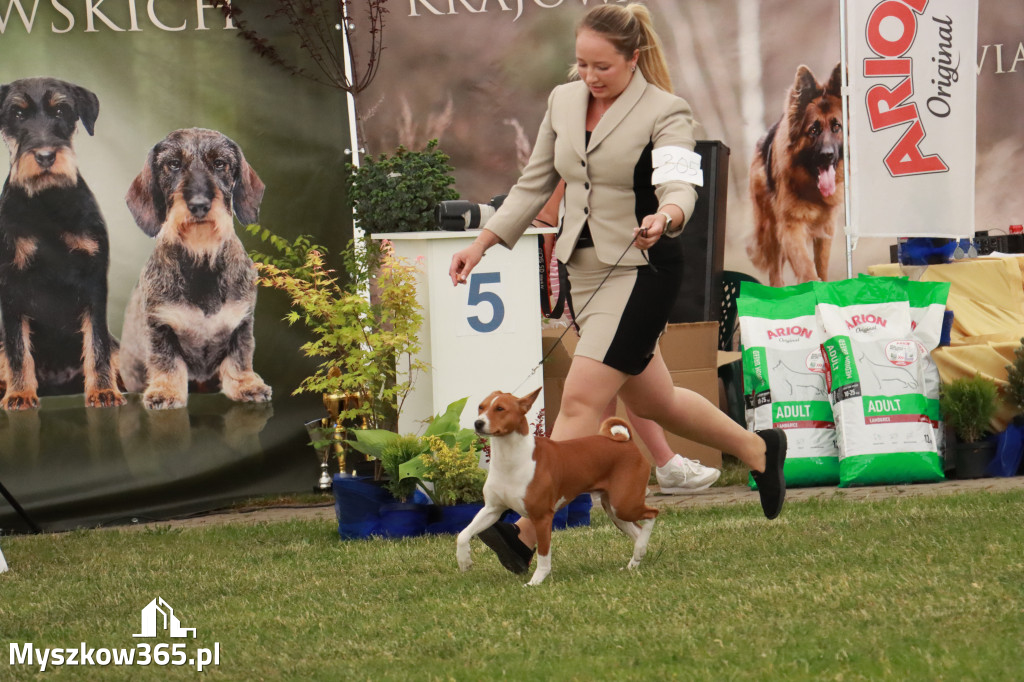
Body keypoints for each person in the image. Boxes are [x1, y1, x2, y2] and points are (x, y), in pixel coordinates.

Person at [449, 3, 786, 574]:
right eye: (581, 64)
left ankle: (525, 536)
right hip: (584, 271)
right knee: (656, 400)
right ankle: (760, 449)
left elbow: (680, 183)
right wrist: (483, 242)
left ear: (633, 58)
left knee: (580, 398)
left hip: (642, 269)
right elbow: (535, 182)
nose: (589, 76)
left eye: (601, 66)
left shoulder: (666, 111)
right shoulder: (563, 100)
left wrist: (666, 217)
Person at [535, 180, 720, 493]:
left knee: (616, 374)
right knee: (623, 367)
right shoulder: (575, 147)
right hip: (593, 268)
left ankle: (609, 469)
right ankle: (664, 464)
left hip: (615, 264)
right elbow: (545, 215)